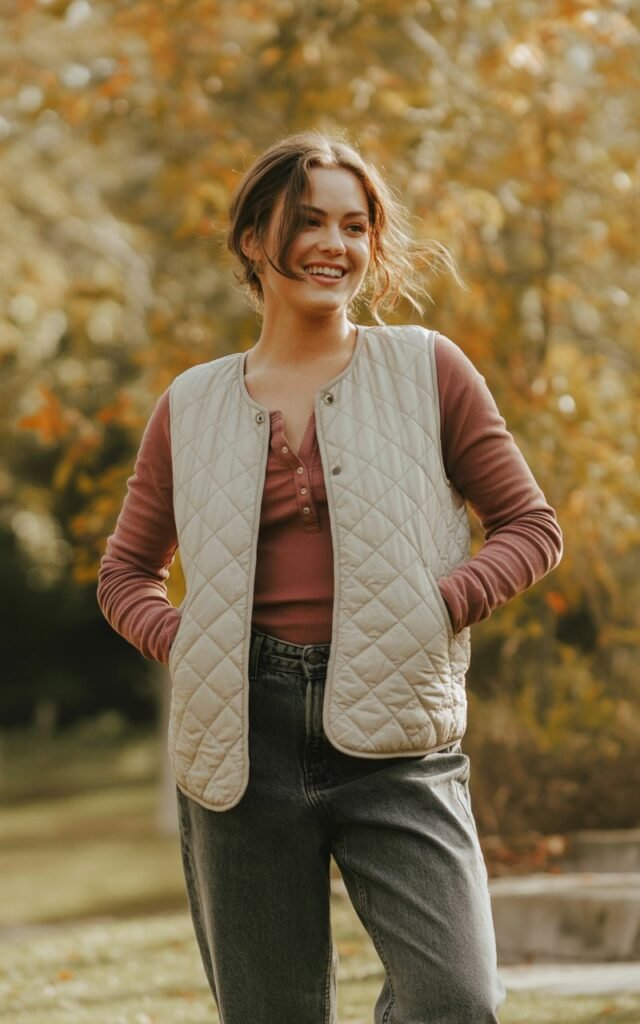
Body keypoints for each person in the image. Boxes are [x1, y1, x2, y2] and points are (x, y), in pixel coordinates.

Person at [98, 131, 563, 1024]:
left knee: (455, 1001)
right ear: (251, 240)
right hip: (238, 744)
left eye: (355, 225)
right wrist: (184, 637)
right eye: (307, 221)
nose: (334, 245)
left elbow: (531, 527)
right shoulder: (189, 405)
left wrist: (437, 608)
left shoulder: (428, 369)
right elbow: (126, 572)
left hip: (401, 738)